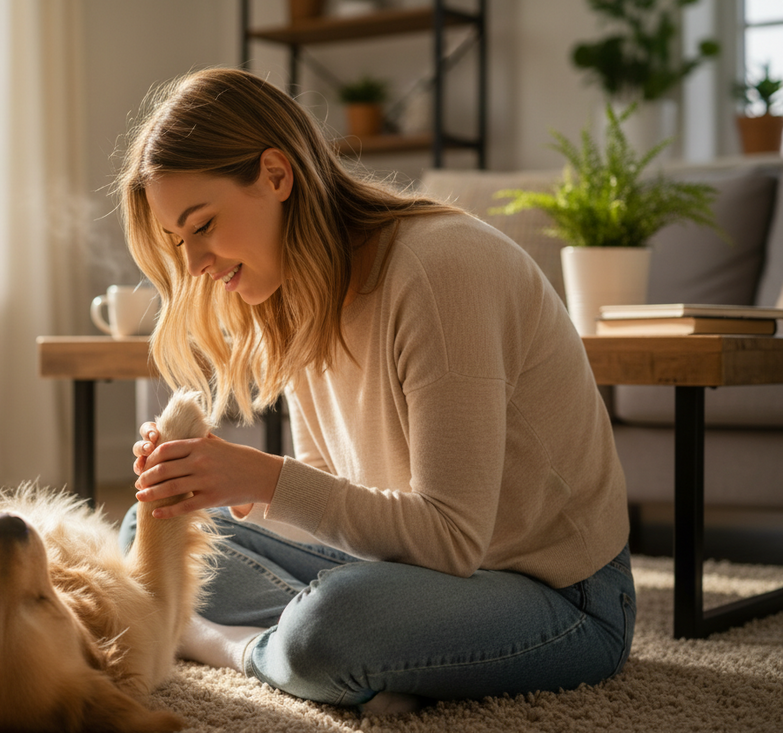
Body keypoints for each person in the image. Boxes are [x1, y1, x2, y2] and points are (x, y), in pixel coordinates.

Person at [114, 67, 635, 714]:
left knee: (329, 629)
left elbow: (450, 537)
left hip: (560, 597)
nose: (193, 263)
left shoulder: (441, 270)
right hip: (416, 574)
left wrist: (264, 476)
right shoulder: (305, 293)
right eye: (178, 240)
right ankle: (370, 656)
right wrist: (221, 484)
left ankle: (233, 645)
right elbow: (342, 502)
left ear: (276, 175)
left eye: (202, 224)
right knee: (150, 525)